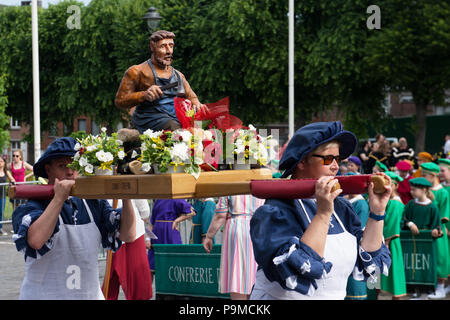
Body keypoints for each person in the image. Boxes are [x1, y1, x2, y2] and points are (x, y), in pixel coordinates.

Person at [249, 121, 392, 300]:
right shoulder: (275, 209)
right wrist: (323, 214)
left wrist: (377, 212)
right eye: (327, 159)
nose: (335, 166)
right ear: (302, 161)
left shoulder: (342, 206)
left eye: (338, 159)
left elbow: (369, 261)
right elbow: (298, 271)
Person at [11, 137, 136, 300]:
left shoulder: (94, 204)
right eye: (62, 165)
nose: (70, 172)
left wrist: (126, 195)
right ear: (48, 170)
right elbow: (35, 241)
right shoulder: (34, 206)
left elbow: (128, 235)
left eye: (74, 165)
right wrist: (58, 199)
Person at [115, 30, 207, 133]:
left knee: (200, 130)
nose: (169, 51)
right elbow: (120, 100)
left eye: (171, 46)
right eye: (163, 46)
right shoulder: (137, 71)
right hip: (149, 119)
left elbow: (192, 96)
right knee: (176, 129)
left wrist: (196, 103)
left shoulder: (178, 75)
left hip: (175, 117)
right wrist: (144, 95)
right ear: (152, 48)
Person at [203, 194, 265, 300]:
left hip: (237, 229)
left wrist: (209, 236)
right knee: (255, 273)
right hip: (259, 228)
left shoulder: (230, 184)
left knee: (237, 275)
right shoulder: (262, 180)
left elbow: (220, 215)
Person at [102, 199, 153, 300]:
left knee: (135, 283)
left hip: (127, 234)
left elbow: (144, 211)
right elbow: (144, 211)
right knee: (113, 282)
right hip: (119, 233)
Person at [402, 177, 442, 299]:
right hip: (412, 242)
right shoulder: (410, 204)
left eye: (414, 190)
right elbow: (404, 218)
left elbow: (437, 226)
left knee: (425, 266)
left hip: (426, 244)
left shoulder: (432, 207)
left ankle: (424, 293)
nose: (412, 192)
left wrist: (436, 231)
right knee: (413, 265)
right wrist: (410, 224)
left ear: (424, 189)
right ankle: (416, 289)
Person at [420, 162, 449, 299]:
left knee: (440, 257)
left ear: (433, 176)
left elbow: (444, 213)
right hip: (425, 231)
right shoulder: (425, 191)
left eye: (424, 175)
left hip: (438, 231)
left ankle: (441, 288)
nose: (422, 177)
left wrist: (438, 228)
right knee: (427, 259)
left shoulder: (442, 192)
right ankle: (428, 287)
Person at [147, 199, 195, 275]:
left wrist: (176, 221)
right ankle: (150, 287)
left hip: (170, 232)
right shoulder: (157, 201)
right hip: (157, 234)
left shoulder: (176, 199)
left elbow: (192, 212)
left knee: (174, 260)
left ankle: (173, 285)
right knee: (151, 266)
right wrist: (148, 239)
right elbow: (151, 224)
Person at [380, 171, 407, 300]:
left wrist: (386, 242)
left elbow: (392, 224)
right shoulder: (388, 201)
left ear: (395, 186)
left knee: (394, 271)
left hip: (391, 241)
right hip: (383, 238)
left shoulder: (395, 203)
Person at [343, 172, 370, 300]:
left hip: (354, 245)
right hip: (344, 244)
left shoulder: (361, 204)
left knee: (355, 283)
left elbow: (359, 228)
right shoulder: (345, 200)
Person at [0, 156, 9, 235]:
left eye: (1, 161)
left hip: (2, 196)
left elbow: (12, 179)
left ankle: (0, 228)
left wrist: (12, 181)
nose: (0, 163)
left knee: (1, 212)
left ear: (4, 163)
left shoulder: (6, 172)